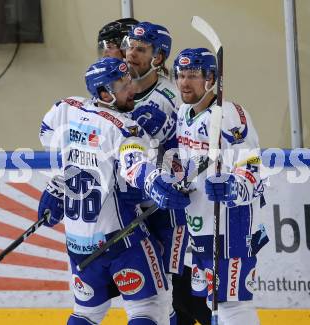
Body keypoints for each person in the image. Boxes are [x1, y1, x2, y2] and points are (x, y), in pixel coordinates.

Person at [38, 56, 191, 325]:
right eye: (123, 85)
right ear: (103, 93)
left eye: (129, 81)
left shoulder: (66, 108)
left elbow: (49, 137)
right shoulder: (123, 128)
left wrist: (58, 185)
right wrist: (157, 184)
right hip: (120, 242)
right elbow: (135, 166)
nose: (131, 89)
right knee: (151, 308)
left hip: (77, 245)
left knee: (86, 313)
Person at [173, 48, 269, 325]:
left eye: (192, 75)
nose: (184, 82)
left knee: (231, 304)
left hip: (233, 222)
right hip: (201, 221)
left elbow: (252, 165)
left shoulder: (230, 115)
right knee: (212, 301)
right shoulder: (183, 113)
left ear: (211, 78)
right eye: (180, 75)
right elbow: (186, 163)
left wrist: (234, 186)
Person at [121, 22, 188, 325]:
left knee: (170, 292)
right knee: (151, 291)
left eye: (141, 49)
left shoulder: (170, 97)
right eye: (130, 46)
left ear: (158, 58)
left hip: (166, 208)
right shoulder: (118, 89)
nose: (131, 54)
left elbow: (187, 153)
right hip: (134, 204)